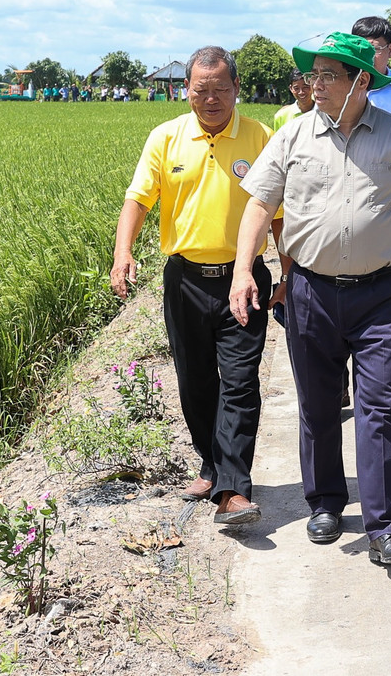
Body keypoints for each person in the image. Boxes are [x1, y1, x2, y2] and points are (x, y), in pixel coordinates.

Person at [228, 32, 391, 564]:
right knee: (319, 406)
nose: (313, 84)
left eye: (328, 76)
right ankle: (325, 500)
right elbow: (258, 206)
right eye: (312, 75)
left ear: (360, 82)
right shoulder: (293, 136)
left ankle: (387, 527)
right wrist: (242, 272)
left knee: (384, 407)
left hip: (381, 293)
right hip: (311, 292)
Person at [112, 46, 279, 526]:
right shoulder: (165, 138)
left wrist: (286, 268)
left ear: (237, 90)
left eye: (220, 90)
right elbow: (138, 199)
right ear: (185, 90)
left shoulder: (260, 137)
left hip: (243, 277)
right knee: (195, 382)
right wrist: (123, 252)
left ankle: (233, 490)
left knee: (241, 383)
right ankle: (211, 464)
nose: (211, 100)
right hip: (184, 280)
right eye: (201, 91)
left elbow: (277, 210)